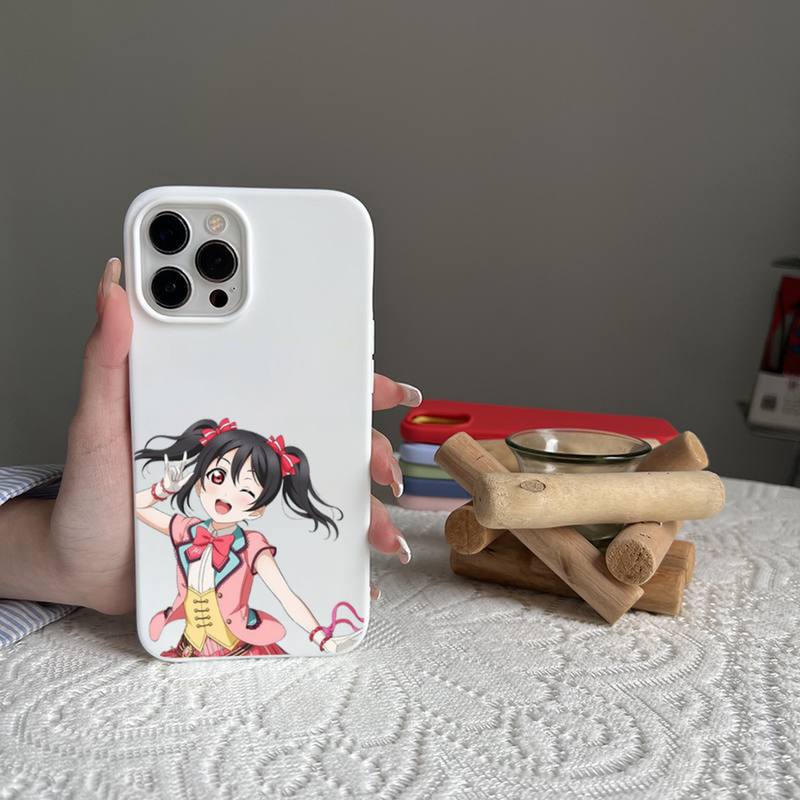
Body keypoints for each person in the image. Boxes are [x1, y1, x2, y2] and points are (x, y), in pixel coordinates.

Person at [0, 258, 419, 648]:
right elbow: (140, 509)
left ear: (258, 509)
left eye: (246, 490)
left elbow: (285, 595)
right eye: (218, 477)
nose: (225, 493)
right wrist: (163, 489)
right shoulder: (186, 530)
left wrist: (318, 633)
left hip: (241, 645)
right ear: (201, 481)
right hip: (188, 645)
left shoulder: (252, 545)